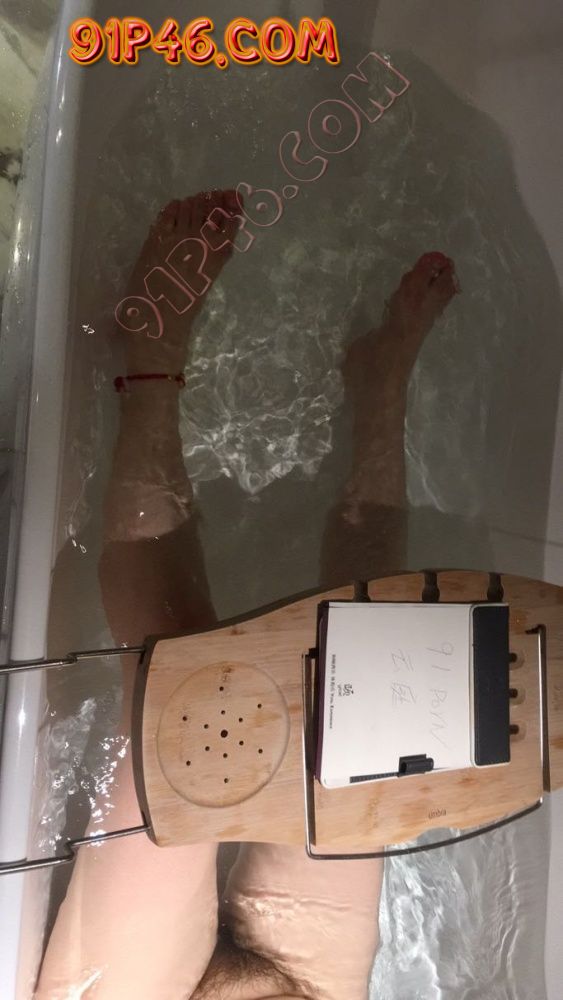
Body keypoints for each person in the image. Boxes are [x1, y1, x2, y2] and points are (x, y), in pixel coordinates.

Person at [35, 191, 458, 999]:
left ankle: (148, 362)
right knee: (369, 670)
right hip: (310, 989)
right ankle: (379, 392)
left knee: (180, 693)